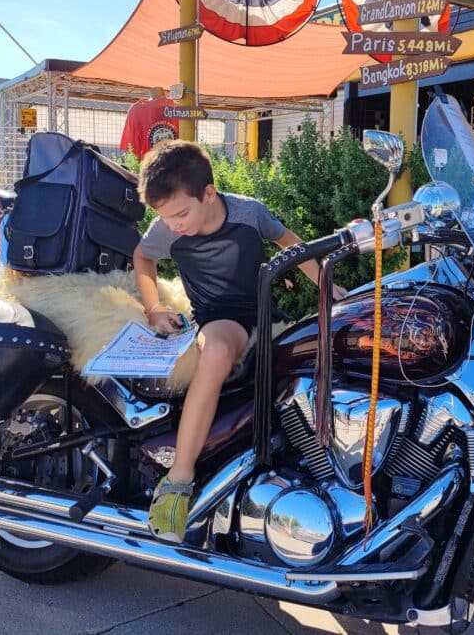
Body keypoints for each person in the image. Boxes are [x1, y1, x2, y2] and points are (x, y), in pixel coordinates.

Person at [134, 141, 345, 542]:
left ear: (209, 193)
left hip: (265, 314)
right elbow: (142, 256)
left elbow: (292, 246)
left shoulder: (250, 213)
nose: (174, 225)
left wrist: (328, 290)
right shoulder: (167, 229)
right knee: (216, 351)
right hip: (220, 320)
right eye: (165, 217)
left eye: (181, 214)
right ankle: (179, 478)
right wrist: (154, 308)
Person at [120, 86, 181, 159]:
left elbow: (132, 147)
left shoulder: (136, 110)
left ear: (151, 95)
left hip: (150, 163)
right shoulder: (179, 109)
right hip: (176, 162)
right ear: (164, 94)